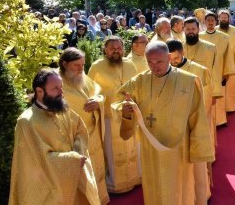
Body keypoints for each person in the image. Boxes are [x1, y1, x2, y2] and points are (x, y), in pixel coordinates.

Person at [118, 41, 214, 204]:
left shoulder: (189, 81)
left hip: (179, 150)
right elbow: (119, 100)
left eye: (159, 61)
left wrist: (198, 151)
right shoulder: (138, 81)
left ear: (169, 57)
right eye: (150, 62)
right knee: (154, 188)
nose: (154, 66)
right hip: (150, 149)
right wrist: (126, 112)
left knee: (178, 190)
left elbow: (198, 118)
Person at [9, 69, 99, 204]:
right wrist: (72, 159)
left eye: (61, 87)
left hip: (73, 179)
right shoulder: (26, 122)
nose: (61, 92)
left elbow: (80, 130)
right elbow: (35, 161)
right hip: (49, 190)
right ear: (39, 91)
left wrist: (78, 151)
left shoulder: (62, 108)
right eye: (55, 88)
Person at [87, 36, 140, 193]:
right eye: (112, 48)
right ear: (105, 50)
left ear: (123, 49)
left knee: (133, 145)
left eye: (119, 47)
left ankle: (134, 176)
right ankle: (115, 183)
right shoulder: (97, 67)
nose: (116, 50)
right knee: (112, 148)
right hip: (109, 114)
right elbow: (90, 90)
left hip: (129, 112)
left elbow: (136, 85)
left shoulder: (130, 64)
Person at [59, 48, 109, 204]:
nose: (81, 69)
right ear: (64, 64)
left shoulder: (83, 77)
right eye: (76, 65)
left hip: (93, 134)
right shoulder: (55, 82)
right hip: (73, 138)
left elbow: (98, 90)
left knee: (97, 171)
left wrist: (98, 101)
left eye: (83, 64)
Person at [167, 39, 213, 200]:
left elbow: (206, 100)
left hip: (194, 126)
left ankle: (201, 195)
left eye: (176, 59)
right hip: (173, 129)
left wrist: (195, 123)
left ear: (183, 53)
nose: (173, 63)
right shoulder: (164, 73)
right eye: (170, 60)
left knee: (196, 165)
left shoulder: (199, 71)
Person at [199, 12, 233, 126]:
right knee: (205, 96)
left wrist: (226, 73)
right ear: (205, 21)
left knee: (219, 95)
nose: (210, 22)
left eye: (212, 20)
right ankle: (205, 120)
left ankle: (220, 120)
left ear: (216, 21)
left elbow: (228, 57)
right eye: (208, 20)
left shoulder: (224, 37)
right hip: (203, 72)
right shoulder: (199, 37)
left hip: (219, 71)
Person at [217, 10, 235, 112]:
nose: (224, 19)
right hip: (218, 64)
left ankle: (231, 106)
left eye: (225, 17)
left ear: (229, 19)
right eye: (222, 17)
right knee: (219, 85)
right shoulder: (214, 30)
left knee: (231, 86)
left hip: (232, 63)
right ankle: (219, 107)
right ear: (219, 18)